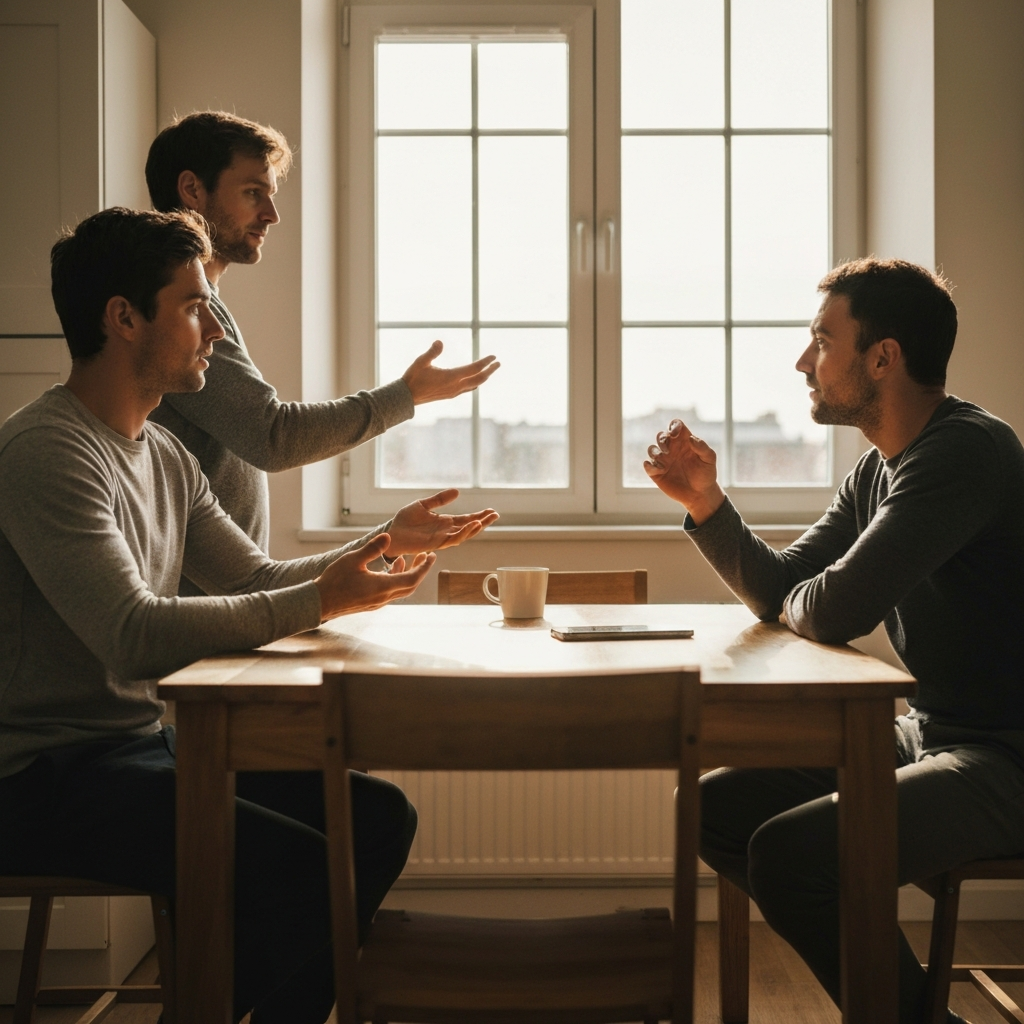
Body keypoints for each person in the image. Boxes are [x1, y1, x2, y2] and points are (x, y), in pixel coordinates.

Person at [0, 208, 494, 1024]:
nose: (215, 334)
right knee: (299, 871)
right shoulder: (47, 453)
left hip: (134, 749)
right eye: (195, 307)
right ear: (123, 318)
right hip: (39, 778)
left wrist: (379, 548)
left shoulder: (162, 452)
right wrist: (324, 595)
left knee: (375, 820)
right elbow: (132, 636)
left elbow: (257, 576)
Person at [644, 257, 1024, 1024]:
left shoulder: (965, 452)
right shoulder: (876, 473)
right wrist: (706, 503)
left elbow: (831, 608)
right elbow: (786, 585)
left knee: (796, 856)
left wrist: (804, 601)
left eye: (823, 340)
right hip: (933, 735)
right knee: (711, 807)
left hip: (1008, 755)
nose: (802, 361)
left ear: (883, 356)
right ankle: (910, 1005)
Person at [145, 110, 499, 574]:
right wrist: (405, 396)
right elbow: (273, 436)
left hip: (225, 599)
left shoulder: (204, 308)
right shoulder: (174, 313)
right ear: (192, 189)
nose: (271, 215)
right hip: (198, 615)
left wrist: (387, 541)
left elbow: (257, 579)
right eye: (253, 193)